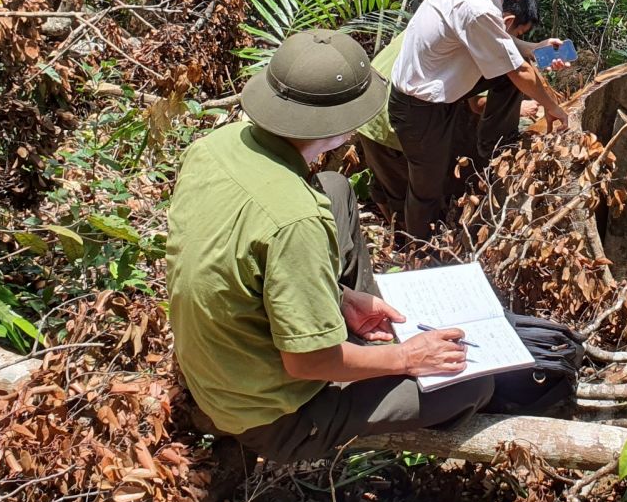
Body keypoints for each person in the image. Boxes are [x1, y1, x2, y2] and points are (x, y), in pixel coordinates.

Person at [166, 29, 495, 468]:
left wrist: (337, 298)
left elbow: (239, 259)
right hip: (271, 415)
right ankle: (357, 377)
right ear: (339, 127)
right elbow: (307, 363)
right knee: (474, 385)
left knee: (335, 187)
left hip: (217, 363)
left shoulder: (215, 146)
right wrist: (406, 357)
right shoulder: (295, 220)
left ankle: (344, 331)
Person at [388, 0, 571, 240]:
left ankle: (495, 148)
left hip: (442, 85)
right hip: (420, 107)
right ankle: (415, 254)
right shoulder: (476, 6)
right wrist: (553, 107)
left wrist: (535, 50)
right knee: (427, 190)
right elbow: (518, 72)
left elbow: (501, 45)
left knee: (519, 70)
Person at [356, 0, 543, 229]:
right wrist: (520, 107)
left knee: (390, 185)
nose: (516, 40)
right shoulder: (481, 41)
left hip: (368, 107)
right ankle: (412, 251)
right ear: (507, 21)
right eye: (518, 34)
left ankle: (400, 239)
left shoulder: (453, 17)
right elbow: (479, 104)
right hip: (391, 120)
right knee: (412, 199)